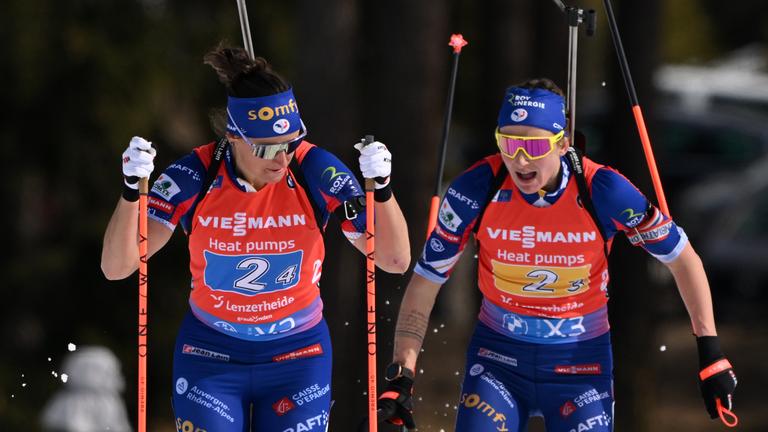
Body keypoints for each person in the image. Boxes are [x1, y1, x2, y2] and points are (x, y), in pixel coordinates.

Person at [376, 78, 737, 431]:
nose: (519, 160)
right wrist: (401, 375)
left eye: (534, 147)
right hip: (498, 359)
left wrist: (711, 351)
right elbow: (426, 280)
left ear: (563, 144)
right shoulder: (476, 188)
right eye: (508, 143)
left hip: (580, 365)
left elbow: (682, 258)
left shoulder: (603, 190)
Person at [101, 44, 410, 432]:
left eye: (290, 143)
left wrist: (382, 189)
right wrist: (131, 192)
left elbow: (394, 260)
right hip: (210, 353)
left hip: (298, 354)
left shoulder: (313, 168)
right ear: (233, 136)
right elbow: (117, 267)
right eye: (267, 147)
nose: (281, 159)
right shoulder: (196, 174)